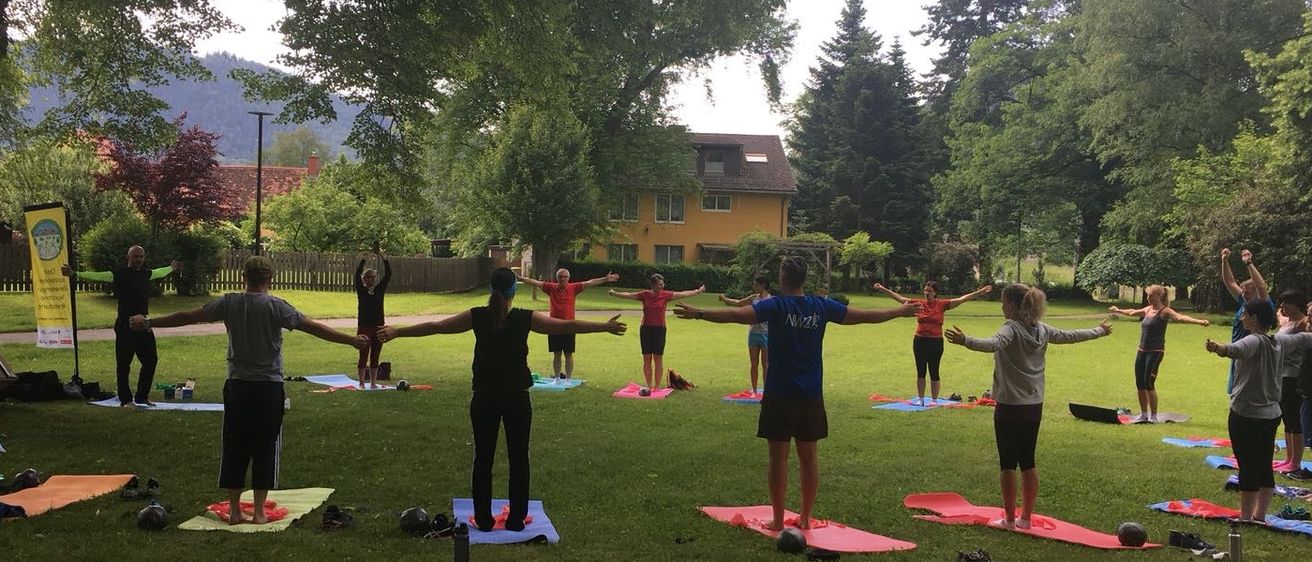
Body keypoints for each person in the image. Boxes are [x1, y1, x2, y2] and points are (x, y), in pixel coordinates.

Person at [674, 257, 919, 530]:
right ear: (804, 279)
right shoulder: (820, 306)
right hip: (810, 395)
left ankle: (778, 520)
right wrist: (899, 312)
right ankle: (805, 518)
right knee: (809, 456)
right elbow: (863, 316)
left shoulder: (776, 305)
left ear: (782, 278)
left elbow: (736, 315)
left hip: (780, 393)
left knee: (778, 458)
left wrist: (699, 313)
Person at [377, 268, 625, 531]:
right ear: (513, 291)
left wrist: (398, 332)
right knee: (520, 458)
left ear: (491, 290)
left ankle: (483, 520)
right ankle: (516, 521)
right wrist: (604, 327)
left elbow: (436, 327)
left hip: (484, 396)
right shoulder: (524, 318)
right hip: (517, 397)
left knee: (482, 458)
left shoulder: (477, 316)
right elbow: (566, 325)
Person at [127, 256, 367, 525]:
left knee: (235, 444)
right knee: (265, 445)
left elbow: (186, 317)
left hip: (237, 385)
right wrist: (352, 341)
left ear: (245, 277)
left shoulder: (229, 302)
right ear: (269, 279)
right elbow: (314, 328)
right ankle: (261, 512)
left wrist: (148, 322)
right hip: (268, 387)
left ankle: (235, 510)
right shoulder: (277, 306)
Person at [945, 283, 1111, 530]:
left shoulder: (1010, 328)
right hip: (1034, 405)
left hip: (1010, 405)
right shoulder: (1042, 330)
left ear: (1012, 305)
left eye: (1003, 302)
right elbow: (1070, 336)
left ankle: (1010, 520)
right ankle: (1026, 519)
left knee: (1007, 464)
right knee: (1029, 461)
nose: (1001, 306)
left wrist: (965, 340)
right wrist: (1099, 330)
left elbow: (993, 343)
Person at [1205, 300, 1312, 522]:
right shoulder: (1279, 341)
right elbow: (1304, 339)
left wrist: (1217, 348)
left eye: (1245, 314)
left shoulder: (1253, 340)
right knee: (1264, 465)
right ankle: (1260, 515)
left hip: (1246, 413)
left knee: (1247, 465)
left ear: (1254, 317)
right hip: (1271, 415)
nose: (1242, 317)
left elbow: (1234, 350)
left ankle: (1245, 517)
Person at [62, 245, 180, 407]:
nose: (138, 259)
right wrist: (76, 273)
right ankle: (126, 400)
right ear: (128, 257)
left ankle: (141, 396)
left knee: (151, 360)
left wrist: (171, 268)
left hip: (144, 324)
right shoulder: (119, 274)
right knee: (124, 364)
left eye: (141, 257)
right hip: (125, 325)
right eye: (135, 256)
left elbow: (159, 272)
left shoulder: (146, 274)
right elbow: (99, 276)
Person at [873, 281, 993, 405]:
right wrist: (882, 288)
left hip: (936, 341)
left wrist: (981, 292)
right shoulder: (918, 304)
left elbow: (962, 299)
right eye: (925, 290)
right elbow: (900, 298)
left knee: (934, 370)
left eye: (930, 291)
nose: (927, 293)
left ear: (935, 293)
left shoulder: (942, 305)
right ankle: (920, 399)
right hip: (919, 340)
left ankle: (934, 400)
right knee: (921, 371)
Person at [1108, 284, 1211, 422]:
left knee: (1148, 383)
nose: (1148, 298)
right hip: (1142, 351)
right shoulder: (1148, 309)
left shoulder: (1165, 311)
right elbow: (1132, 312)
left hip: (1155, 352)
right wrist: (1118, 309)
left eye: (1151, 295)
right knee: (1139, 383)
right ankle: (1144, 414)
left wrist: (1199, 321)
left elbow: (1180, 317)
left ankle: (1154, 417)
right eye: (1147, 295)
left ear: (1159, 296)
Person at [608, 274, 704, 394]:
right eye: (659, 284)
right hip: (646, 329)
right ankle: (649, 385)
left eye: (663, 284)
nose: (662, 286)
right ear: (653, 285)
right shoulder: (645, 295)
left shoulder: (666, 295)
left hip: (660, 329)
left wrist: (697, 291)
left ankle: (657, 387)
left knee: (658, 358)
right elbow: (629, 295)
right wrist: (614, 293)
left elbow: (683, 293)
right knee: (647, 358)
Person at [516, 268, 619, 379]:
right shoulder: (551, 288)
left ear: (568, 278)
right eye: (560, 277)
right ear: (557, 278)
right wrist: (522, 279)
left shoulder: (573, 288)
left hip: (570, 327)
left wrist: (605, 279)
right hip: (554, 326)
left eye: (565, 277)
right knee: (556, 354)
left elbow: (590, 283)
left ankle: (568, 378)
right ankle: (556, 378)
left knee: (569, 354)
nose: (563, 279)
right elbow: (535, 282)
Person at [1222, 248, 1274, 392]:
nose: (1242, 292)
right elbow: (1229, 282)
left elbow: (1261, 286)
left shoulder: (1263, 304)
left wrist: (1249, 263)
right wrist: (1225, 261)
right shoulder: (1243, 303)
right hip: (1238, 352)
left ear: (1255, 291)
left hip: (1253, 353)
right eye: (1242, 289)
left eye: (1246, 290)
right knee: (1236, 391)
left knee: (1248, 390)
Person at [719, 275, 774, 396]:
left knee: (766, 364)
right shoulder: (753, 298)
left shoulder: (771, 300)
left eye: (756, 284)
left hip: (766, 335)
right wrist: (725, 299)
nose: (754, 286)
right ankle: (754, 391)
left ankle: (766, 392)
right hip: (753, 334)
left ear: (763, 285)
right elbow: (739, 303)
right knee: (754, 364)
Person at [1275, 290, 1310, 479]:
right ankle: (1289, 459)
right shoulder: (1286, 322)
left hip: (1295, 376)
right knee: (1287, 419)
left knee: (1295, 420)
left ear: (1295, 304)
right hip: (1281, 375)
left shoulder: (1304, 323)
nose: (1281, 307)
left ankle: (1296, 461)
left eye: (1285, 303)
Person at [355, 255, 392, 389]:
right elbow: (356, 274)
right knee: (363, 355)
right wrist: (364, 258)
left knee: (375, 355)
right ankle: (361, 383)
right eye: (368, 277)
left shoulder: (379, 290)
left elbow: (388, 274)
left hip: (378, 327)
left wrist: (384, 257)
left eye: (372, 277)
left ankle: (373, 383)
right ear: (364, 279)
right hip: (364, 327)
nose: (370, 279)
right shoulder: (361, 290)